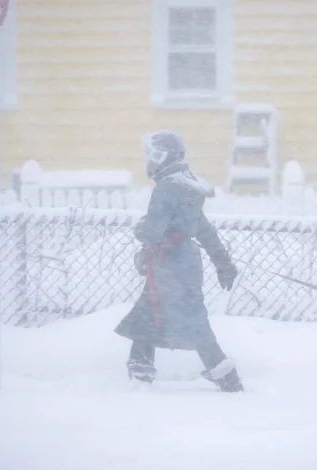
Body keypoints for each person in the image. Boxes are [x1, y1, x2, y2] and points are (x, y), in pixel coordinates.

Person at [114, 129, 244, 392]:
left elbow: (152, 231)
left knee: (193, 321)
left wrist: (139, 227)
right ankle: (140, 372)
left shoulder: (166, 188)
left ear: (162, 156)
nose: (148, 160)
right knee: (147, 315)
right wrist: (223, 264)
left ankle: (228, 379)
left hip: (168, 264)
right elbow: (205, 231)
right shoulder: (188, 185)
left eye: (151, 154)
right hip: (184, 262)